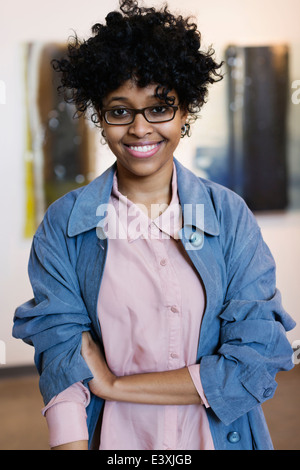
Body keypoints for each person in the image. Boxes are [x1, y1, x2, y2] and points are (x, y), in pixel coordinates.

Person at [13, 0, 295, 451]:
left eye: (160, 107)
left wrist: (114, 384)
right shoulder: (64, 225)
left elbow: (253, 361)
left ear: (186, 110)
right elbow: (63, 359)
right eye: (120, 110)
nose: (141, 129)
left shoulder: (229, 216)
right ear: (99, 117)